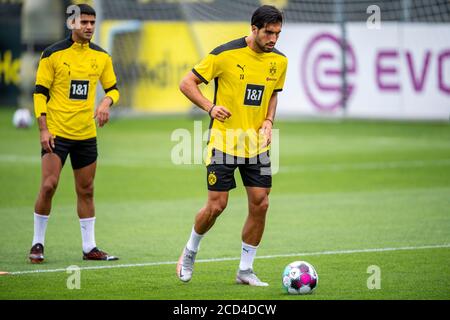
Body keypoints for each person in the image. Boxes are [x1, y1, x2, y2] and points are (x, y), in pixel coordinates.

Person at [177, 5, 287, 286]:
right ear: (253, 29)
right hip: (223, 143)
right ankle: (190, 251)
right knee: (216, 206)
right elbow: (186, 82)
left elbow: (273, 94)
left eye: (277, 33)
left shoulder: (280, 61)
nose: (273, 39)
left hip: (257, 145)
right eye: (268, 33)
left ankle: (245, 270)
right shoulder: (225, 54)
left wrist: (268, 121)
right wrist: (210, 107)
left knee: (261, 204)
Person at [29, 4, 120, 263]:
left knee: (87, 190)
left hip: (85, 135)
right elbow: (39, 93)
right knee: (49, 186)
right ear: (72, 24)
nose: (89, 27)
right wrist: (43, 129)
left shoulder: (101, 56)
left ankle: (89, 247)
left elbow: (113, 89)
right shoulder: (53, 54)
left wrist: (105, 103)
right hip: (56, 133)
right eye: (84, 22)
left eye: (92, 22)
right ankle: (37, 244)